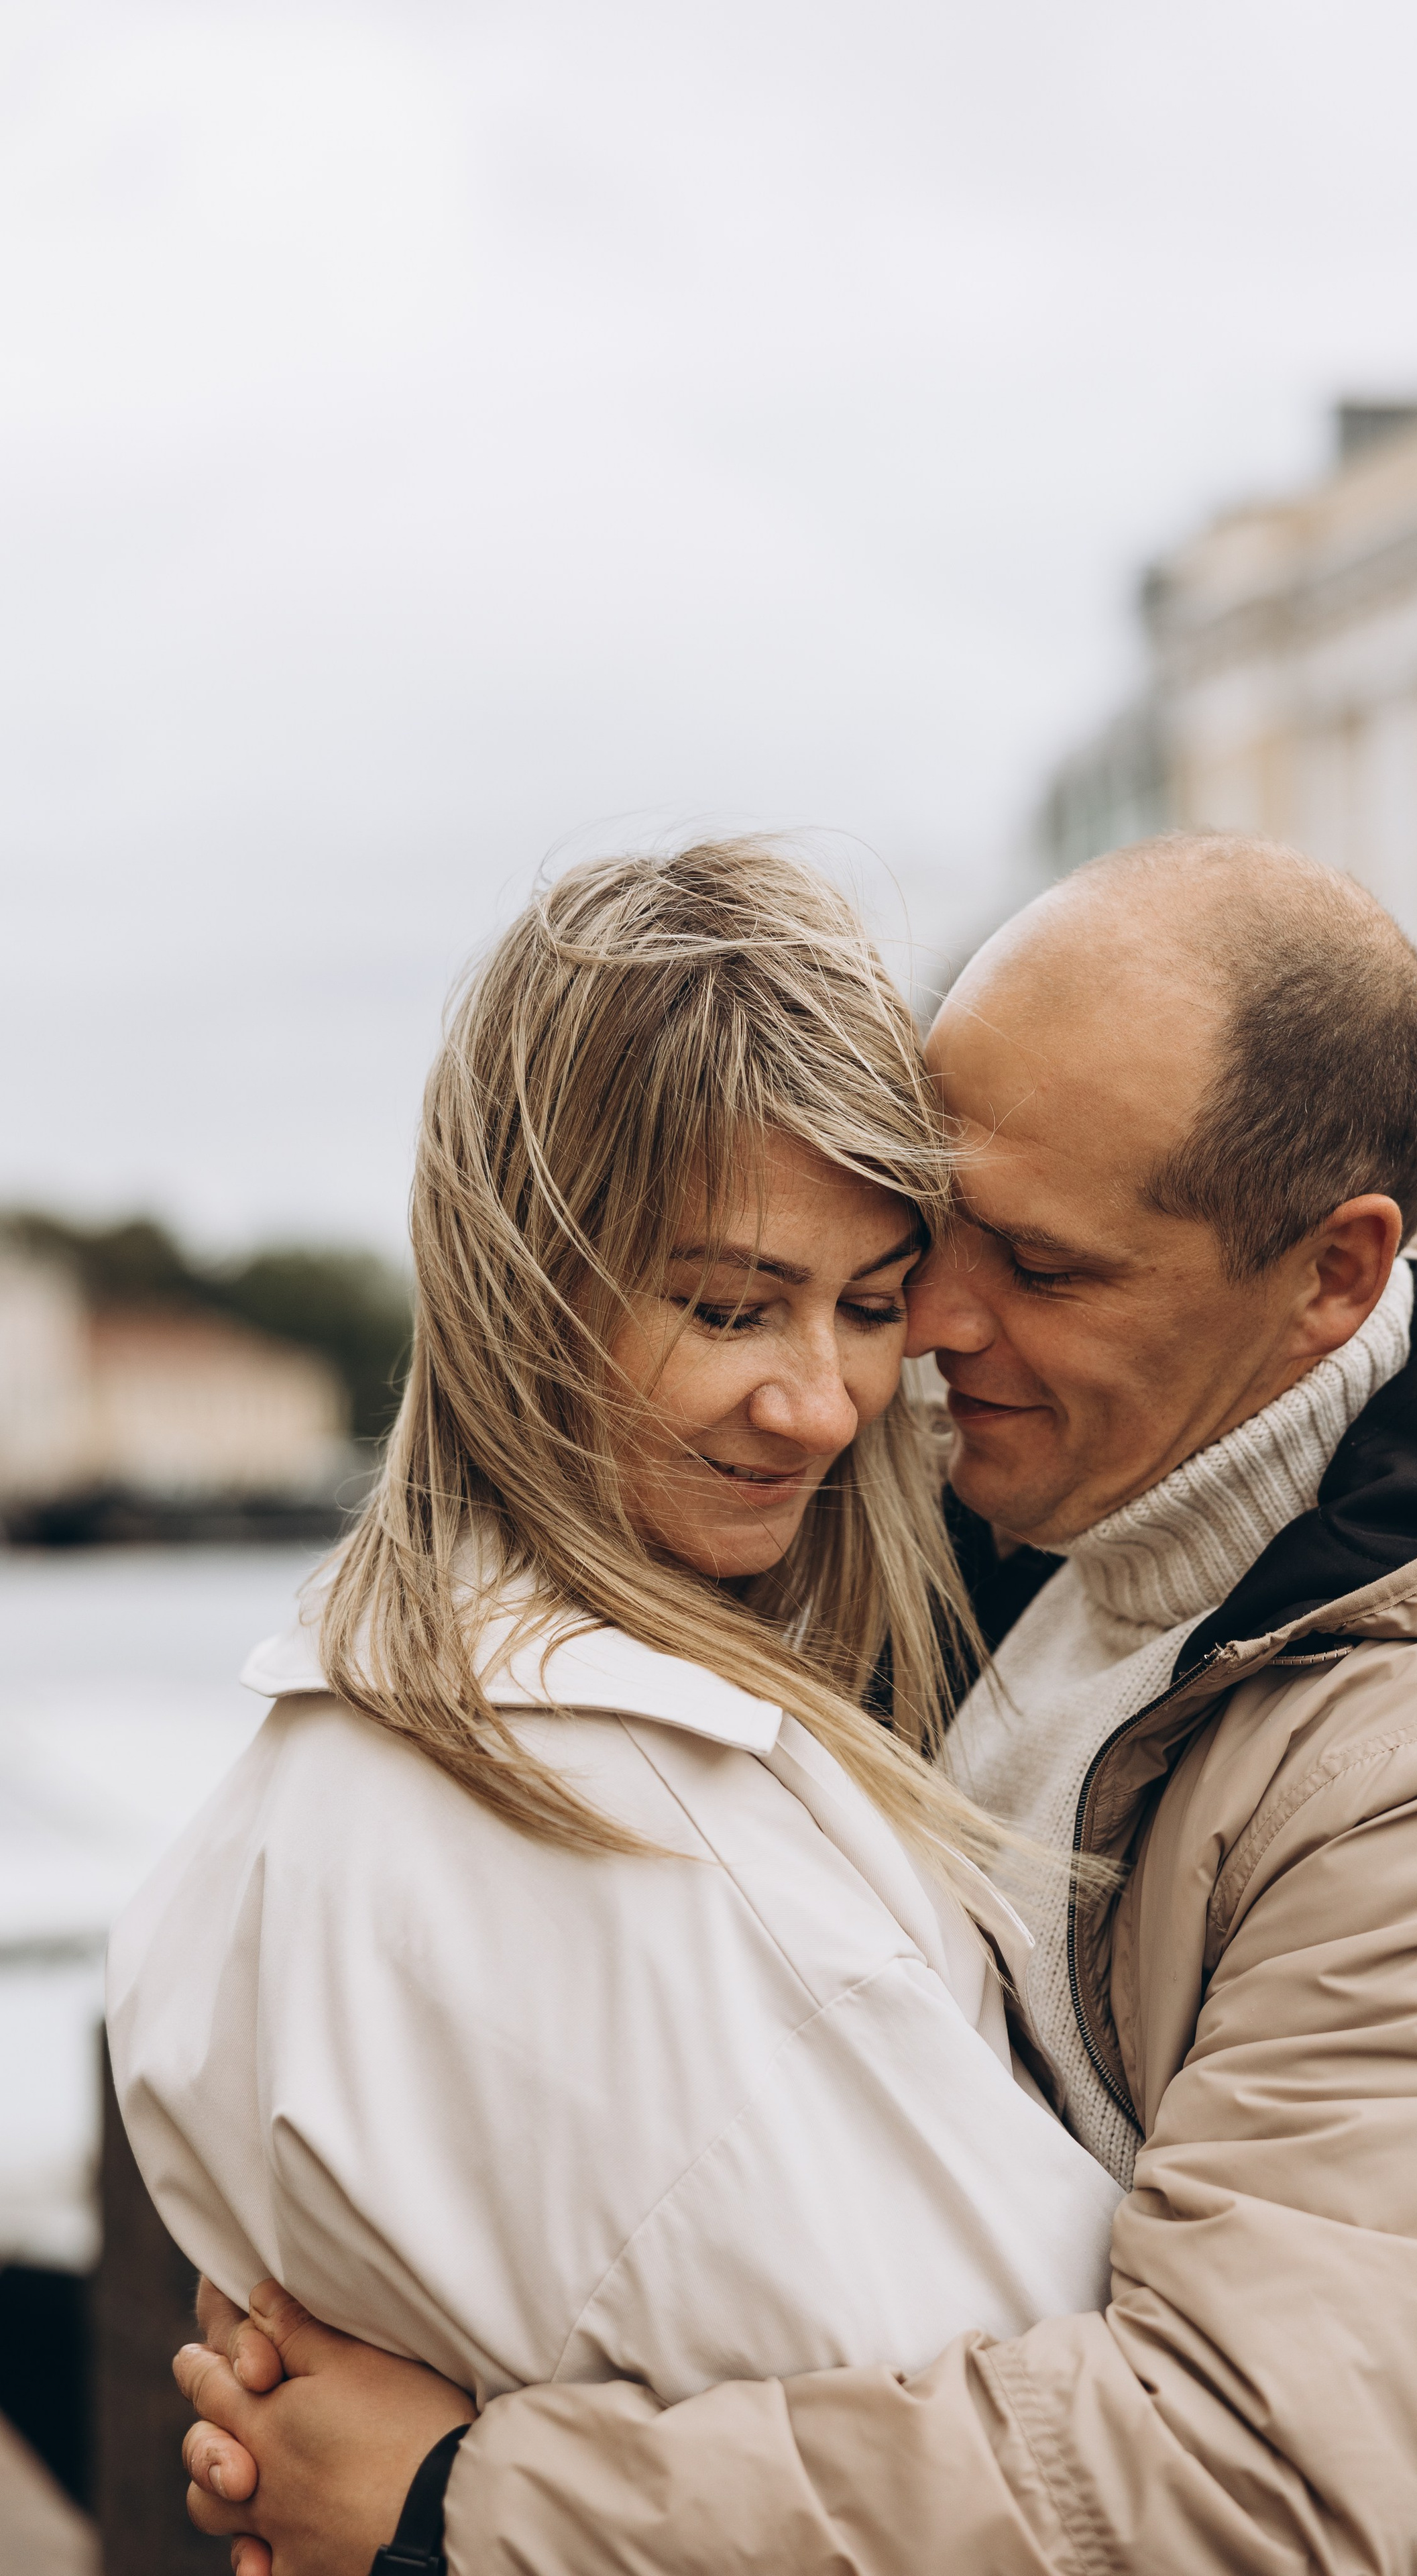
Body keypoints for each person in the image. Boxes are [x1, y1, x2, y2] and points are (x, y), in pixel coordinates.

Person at [178, 833, 1417, 2576]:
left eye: (1044, 1271)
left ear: (1334, 1276)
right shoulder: (990, 1512)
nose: (918, 1337)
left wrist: (466, 2509)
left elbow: (1266, 2501)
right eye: (937, 1234)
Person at [108, 842, 1123, 2422]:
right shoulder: (679, 1870)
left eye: (868, 1307)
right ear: (525, 1280)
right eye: (727, 1307)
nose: (819, 1408)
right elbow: (1091, 2460)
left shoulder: (282, 1791)